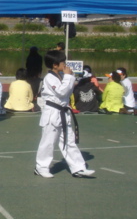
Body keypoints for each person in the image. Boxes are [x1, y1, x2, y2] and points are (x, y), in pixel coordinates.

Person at [34, 50, 94, 179]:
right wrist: (68, 77)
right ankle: (41, 167)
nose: (65, 65)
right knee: (48, 142)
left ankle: (78, 168)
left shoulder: (61, 76)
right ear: (55, 65)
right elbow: (61, 92)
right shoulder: (49, 78)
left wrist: (71, 77)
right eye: (63, 62)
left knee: (69, 141)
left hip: (63, 112)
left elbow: (67, 91)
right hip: (52, 113)